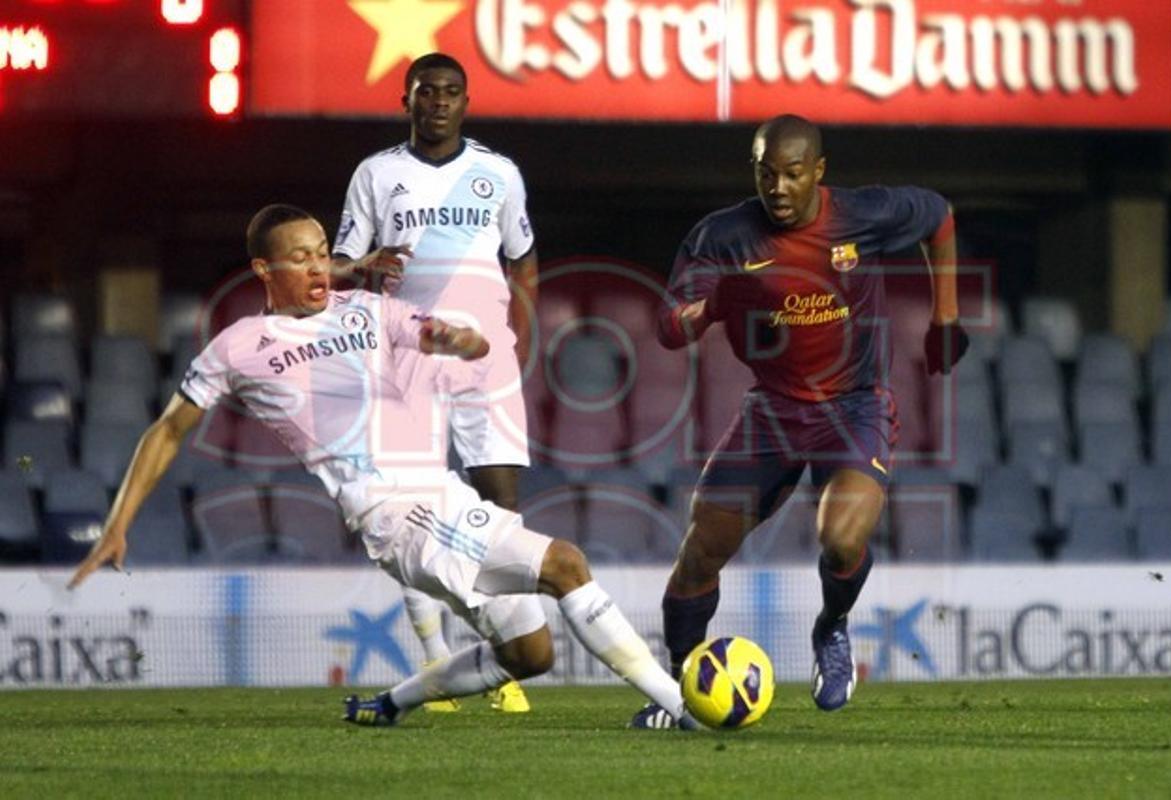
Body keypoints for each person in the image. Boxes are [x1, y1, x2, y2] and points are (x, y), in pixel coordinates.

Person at [68, 205, 698, 731]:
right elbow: (169, 429)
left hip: (442, 493)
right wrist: (119, 523)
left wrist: (460, 340)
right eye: (299, 256)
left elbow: (438, 334)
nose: (317, 265)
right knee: (565, 564)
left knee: (530, 654)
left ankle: (389, 705)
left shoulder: (367, 312)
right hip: (397, 514)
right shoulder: (240, 347)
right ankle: (681, 708)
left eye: (322, 252)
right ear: (263, 268)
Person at [631, 115, 970, 728]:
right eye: (767, 175)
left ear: (818, 170)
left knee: (841, 538)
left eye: (792, 174)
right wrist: (711, 308)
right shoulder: (724, 236)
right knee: (700, 551)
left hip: (856, 403)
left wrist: (946, 319)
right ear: (754, 172)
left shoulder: (861, 215)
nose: (779, 188)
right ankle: (675, 690)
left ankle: (832, 627)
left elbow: (939, 216)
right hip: (774, 411)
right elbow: (666, 326)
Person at [332, 52, 537, 713]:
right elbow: (334, 267)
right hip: (406, 360)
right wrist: (364, 263)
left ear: (466, 102)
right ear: (407, 100)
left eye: (451, 92)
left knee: (501, 509)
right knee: (412, 511)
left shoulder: (499, 174)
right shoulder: (377, 174)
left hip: (485, 364)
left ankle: (505, 667)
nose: (439, 102)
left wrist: (518, 345)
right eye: (427, 91)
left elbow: (524, 263)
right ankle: (434, 661)